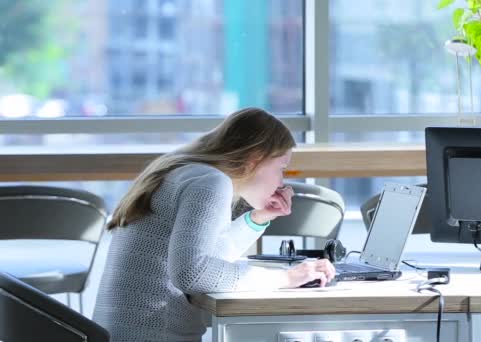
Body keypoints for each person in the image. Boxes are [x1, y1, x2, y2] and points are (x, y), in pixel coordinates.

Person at [93, 107, 336, 341]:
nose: (282, 181)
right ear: (255, 159)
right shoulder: (211, 182)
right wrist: (285, 278)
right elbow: (192, 273)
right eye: (282, 168)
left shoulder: (181, 170)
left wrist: (259, 217)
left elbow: (205, 259)